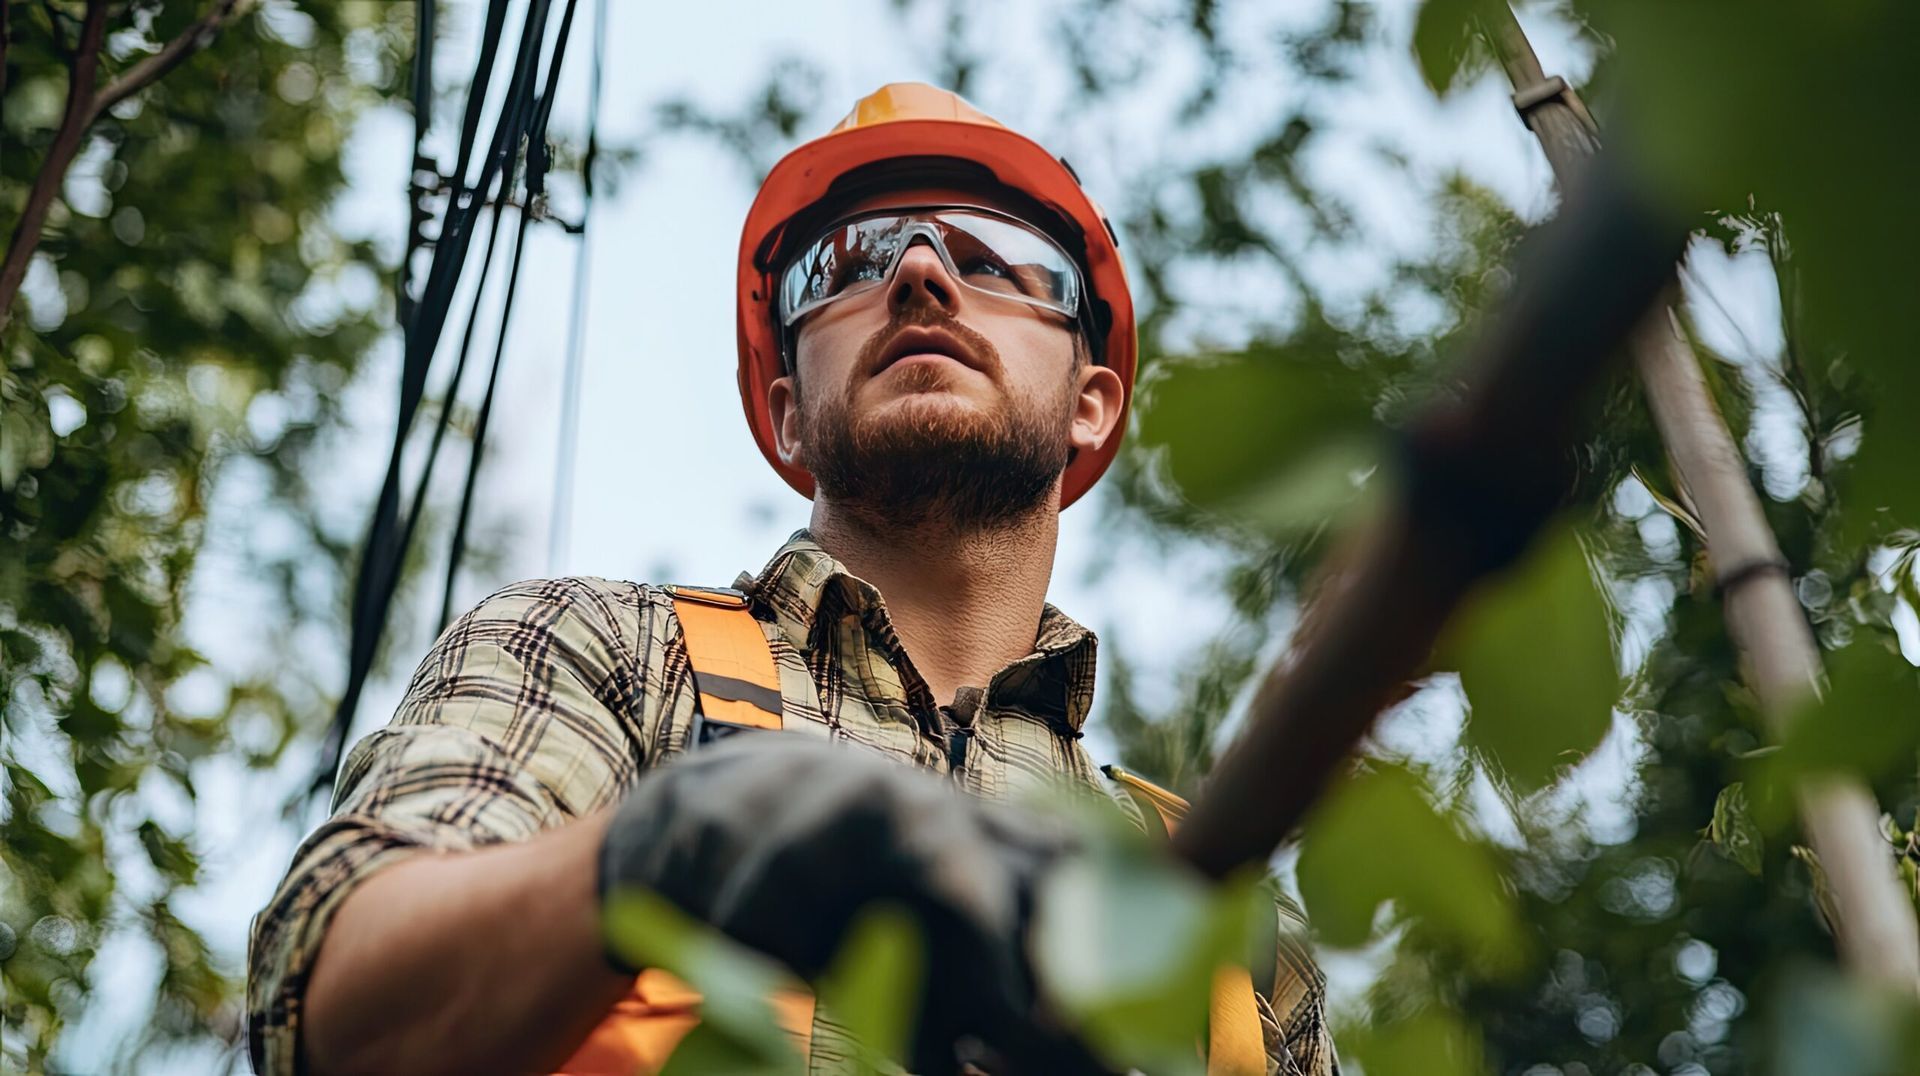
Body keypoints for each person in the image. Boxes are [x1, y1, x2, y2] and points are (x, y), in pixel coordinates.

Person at [247, 83, 1335, 1076]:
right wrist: (667, 843)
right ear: (786, 412)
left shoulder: (1223, 922)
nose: (917, 272)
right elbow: (335, 1011)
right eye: (847, 262)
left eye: (995, 255)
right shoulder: (605, 654)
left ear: (1093, 402)